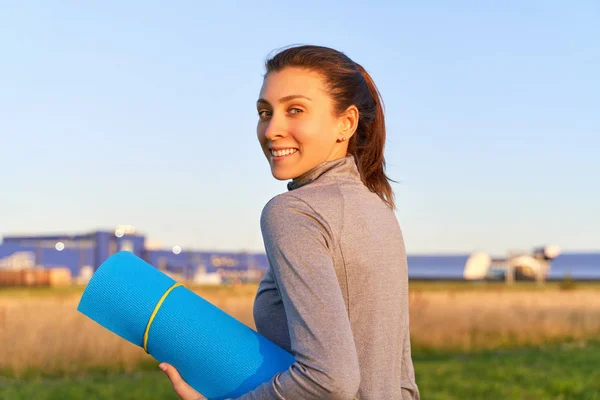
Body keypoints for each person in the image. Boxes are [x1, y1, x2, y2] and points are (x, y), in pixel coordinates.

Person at [160, 44, 420, 400]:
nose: (271, 130)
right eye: (265, 112)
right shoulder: (378, 210)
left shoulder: (293, 211)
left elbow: (330, 379)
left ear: (346, 123)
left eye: (295, 110)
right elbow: (402, 379)